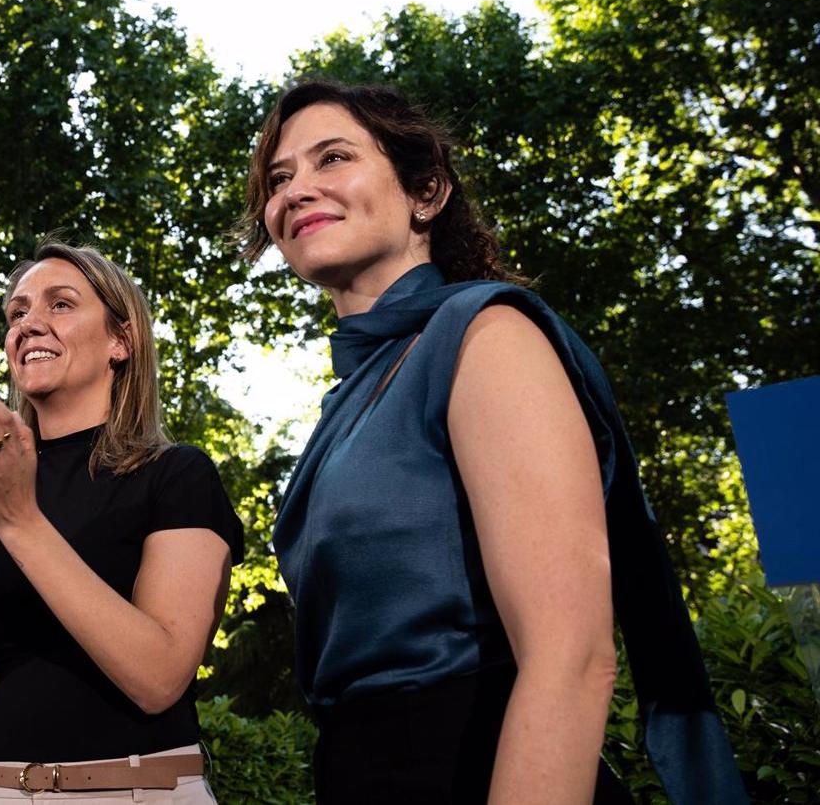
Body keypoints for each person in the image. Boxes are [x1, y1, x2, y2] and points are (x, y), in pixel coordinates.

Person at [235, 80, 745, 804]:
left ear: (427, 192)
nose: (296, 190)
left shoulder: (486, 335)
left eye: (333, 158)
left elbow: (572, 656)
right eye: (278, 178)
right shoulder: (348, 402)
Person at [0, 241, 244, 802]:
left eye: (60, 304)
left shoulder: (176, 474)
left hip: (137, 789)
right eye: (17, 313)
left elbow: (159, 678)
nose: (28, 324)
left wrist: (19, 522)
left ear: (121, 341)